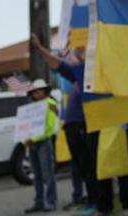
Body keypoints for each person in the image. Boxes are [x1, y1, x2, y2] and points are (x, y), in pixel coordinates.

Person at [29, 37, 101, 215]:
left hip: (85, 125)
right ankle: (90, 200)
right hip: (72, 127)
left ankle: (96, 202)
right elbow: (56, 62)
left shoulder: (95, 74)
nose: (76, 53)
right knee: (81, 167)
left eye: (81, 51)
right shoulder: (75, 73)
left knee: (89, 166)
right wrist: (40, 48)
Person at [22, 76, 59, 214]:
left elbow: (52, 121)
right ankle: (39, 202)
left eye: (39, 91)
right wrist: (24, 140)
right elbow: (24, 126)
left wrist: (31, 138)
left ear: (44, 91)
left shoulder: (50, 103)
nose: (36, 93)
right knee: (37, 175)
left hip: (43, 141)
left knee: (47, 174)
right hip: (32, 143)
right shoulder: (30, 107)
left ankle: (50, 202)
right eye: (34, 91)